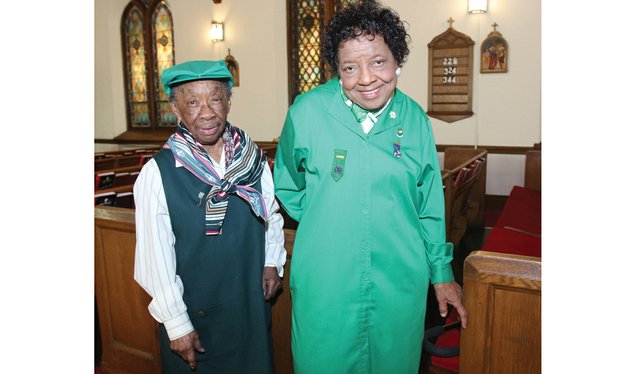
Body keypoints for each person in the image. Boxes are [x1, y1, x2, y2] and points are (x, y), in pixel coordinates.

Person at [273, 1, 467, 373]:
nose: (365, 78)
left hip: (399, 279)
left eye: (378, 61)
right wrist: (327, 219)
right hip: (327, 278)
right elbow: (288, 183)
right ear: (337, 70)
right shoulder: (306, 112)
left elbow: (427, 202)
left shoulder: (414, 120)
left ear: (397, 60)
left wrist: (441, 273)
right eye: (350, 67)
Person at [133, 60, 287, 373]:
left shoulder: (252, 158)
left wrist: (272, 260)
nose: (206, 112)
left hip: (248, 308)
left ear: (228, 102)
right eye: (192, 102)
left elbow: (270, 213)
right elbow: (155, 257)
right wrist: (177, 325)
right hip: (196, 319)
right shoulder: (158, 173)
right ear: (176, 110)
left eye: (215, 99)